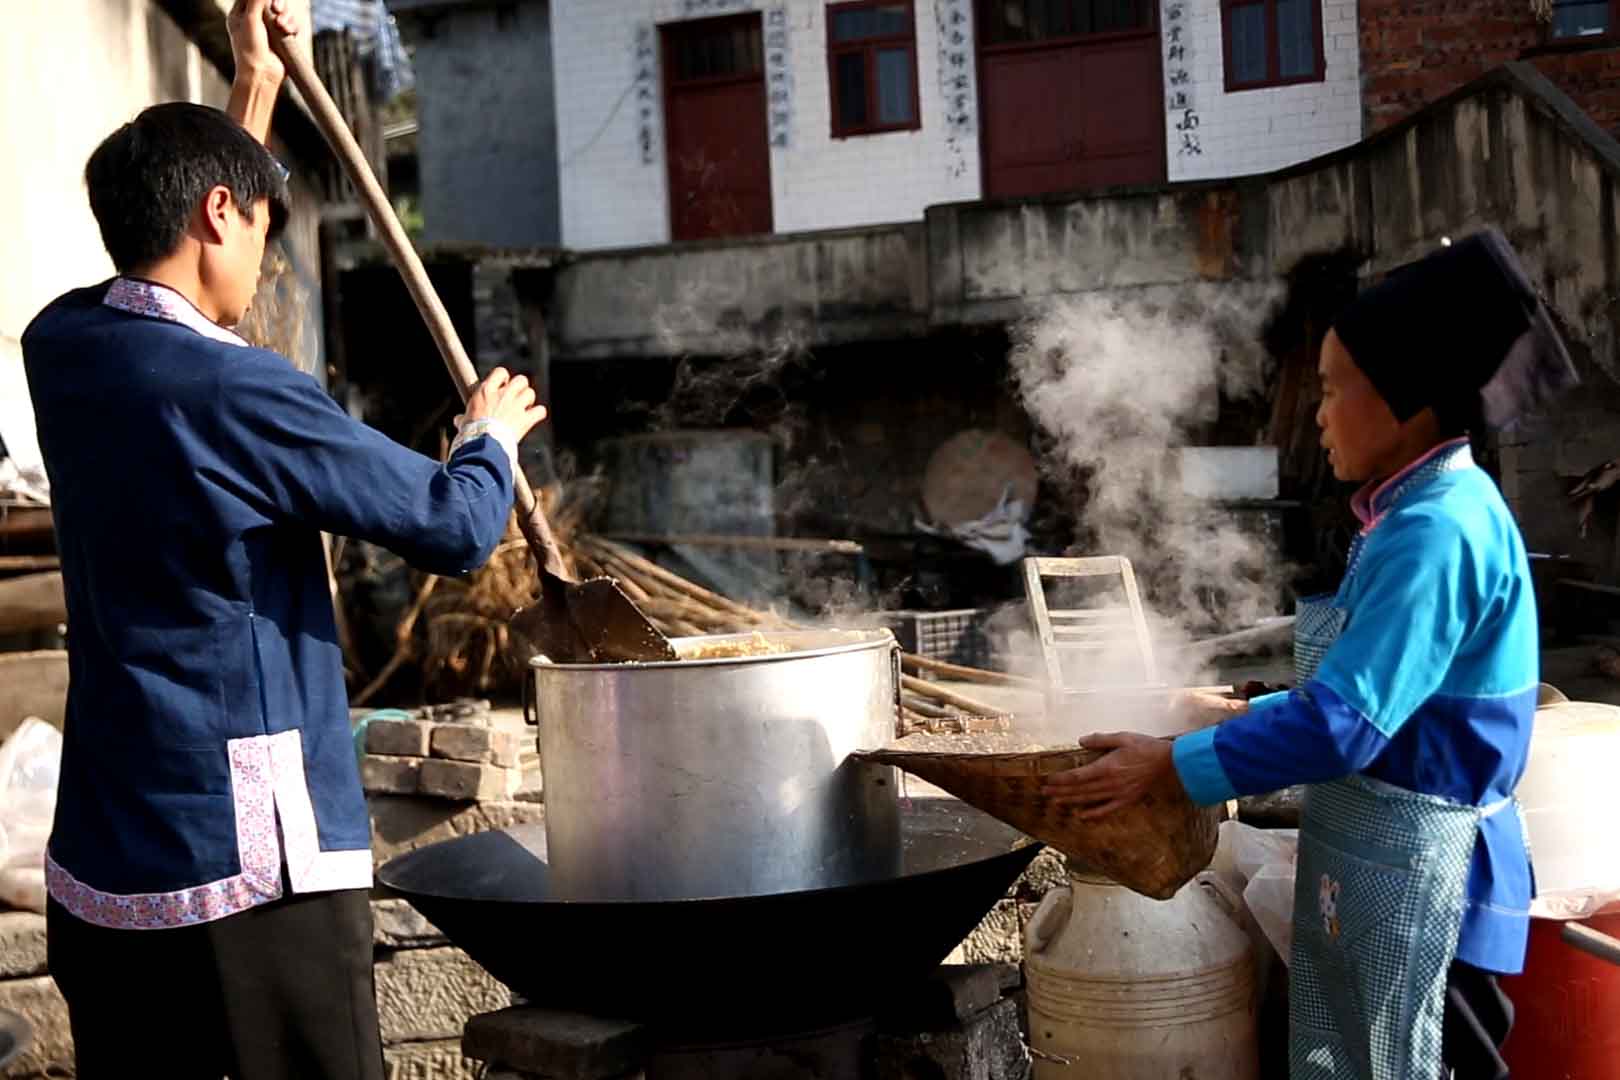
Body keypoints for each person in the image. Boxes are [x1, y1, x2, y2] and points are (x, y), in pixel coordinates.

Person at [21, 2, 549, 1076]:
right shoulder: (242, 391)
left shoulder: (62, 347)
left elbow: (186, 255)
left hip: (110, 868)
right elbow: (454, 526)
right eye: (260, 222)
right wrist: (488, 440)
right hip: (252, 878)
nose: (267, 257)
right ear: (218, 212)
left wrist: (255, 84)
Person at [1044, 229, 1578, 1080]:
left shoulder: (1436, 531)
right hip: (1385, 867)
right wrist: (1228, 710)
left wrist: (1172, 764)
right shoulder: (1409, 514)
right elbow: (1387, 700)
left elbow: (1346, 723)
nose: (1317, 414)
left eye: (1333, 390)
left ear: (1406, 398)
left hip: (1428, 882)